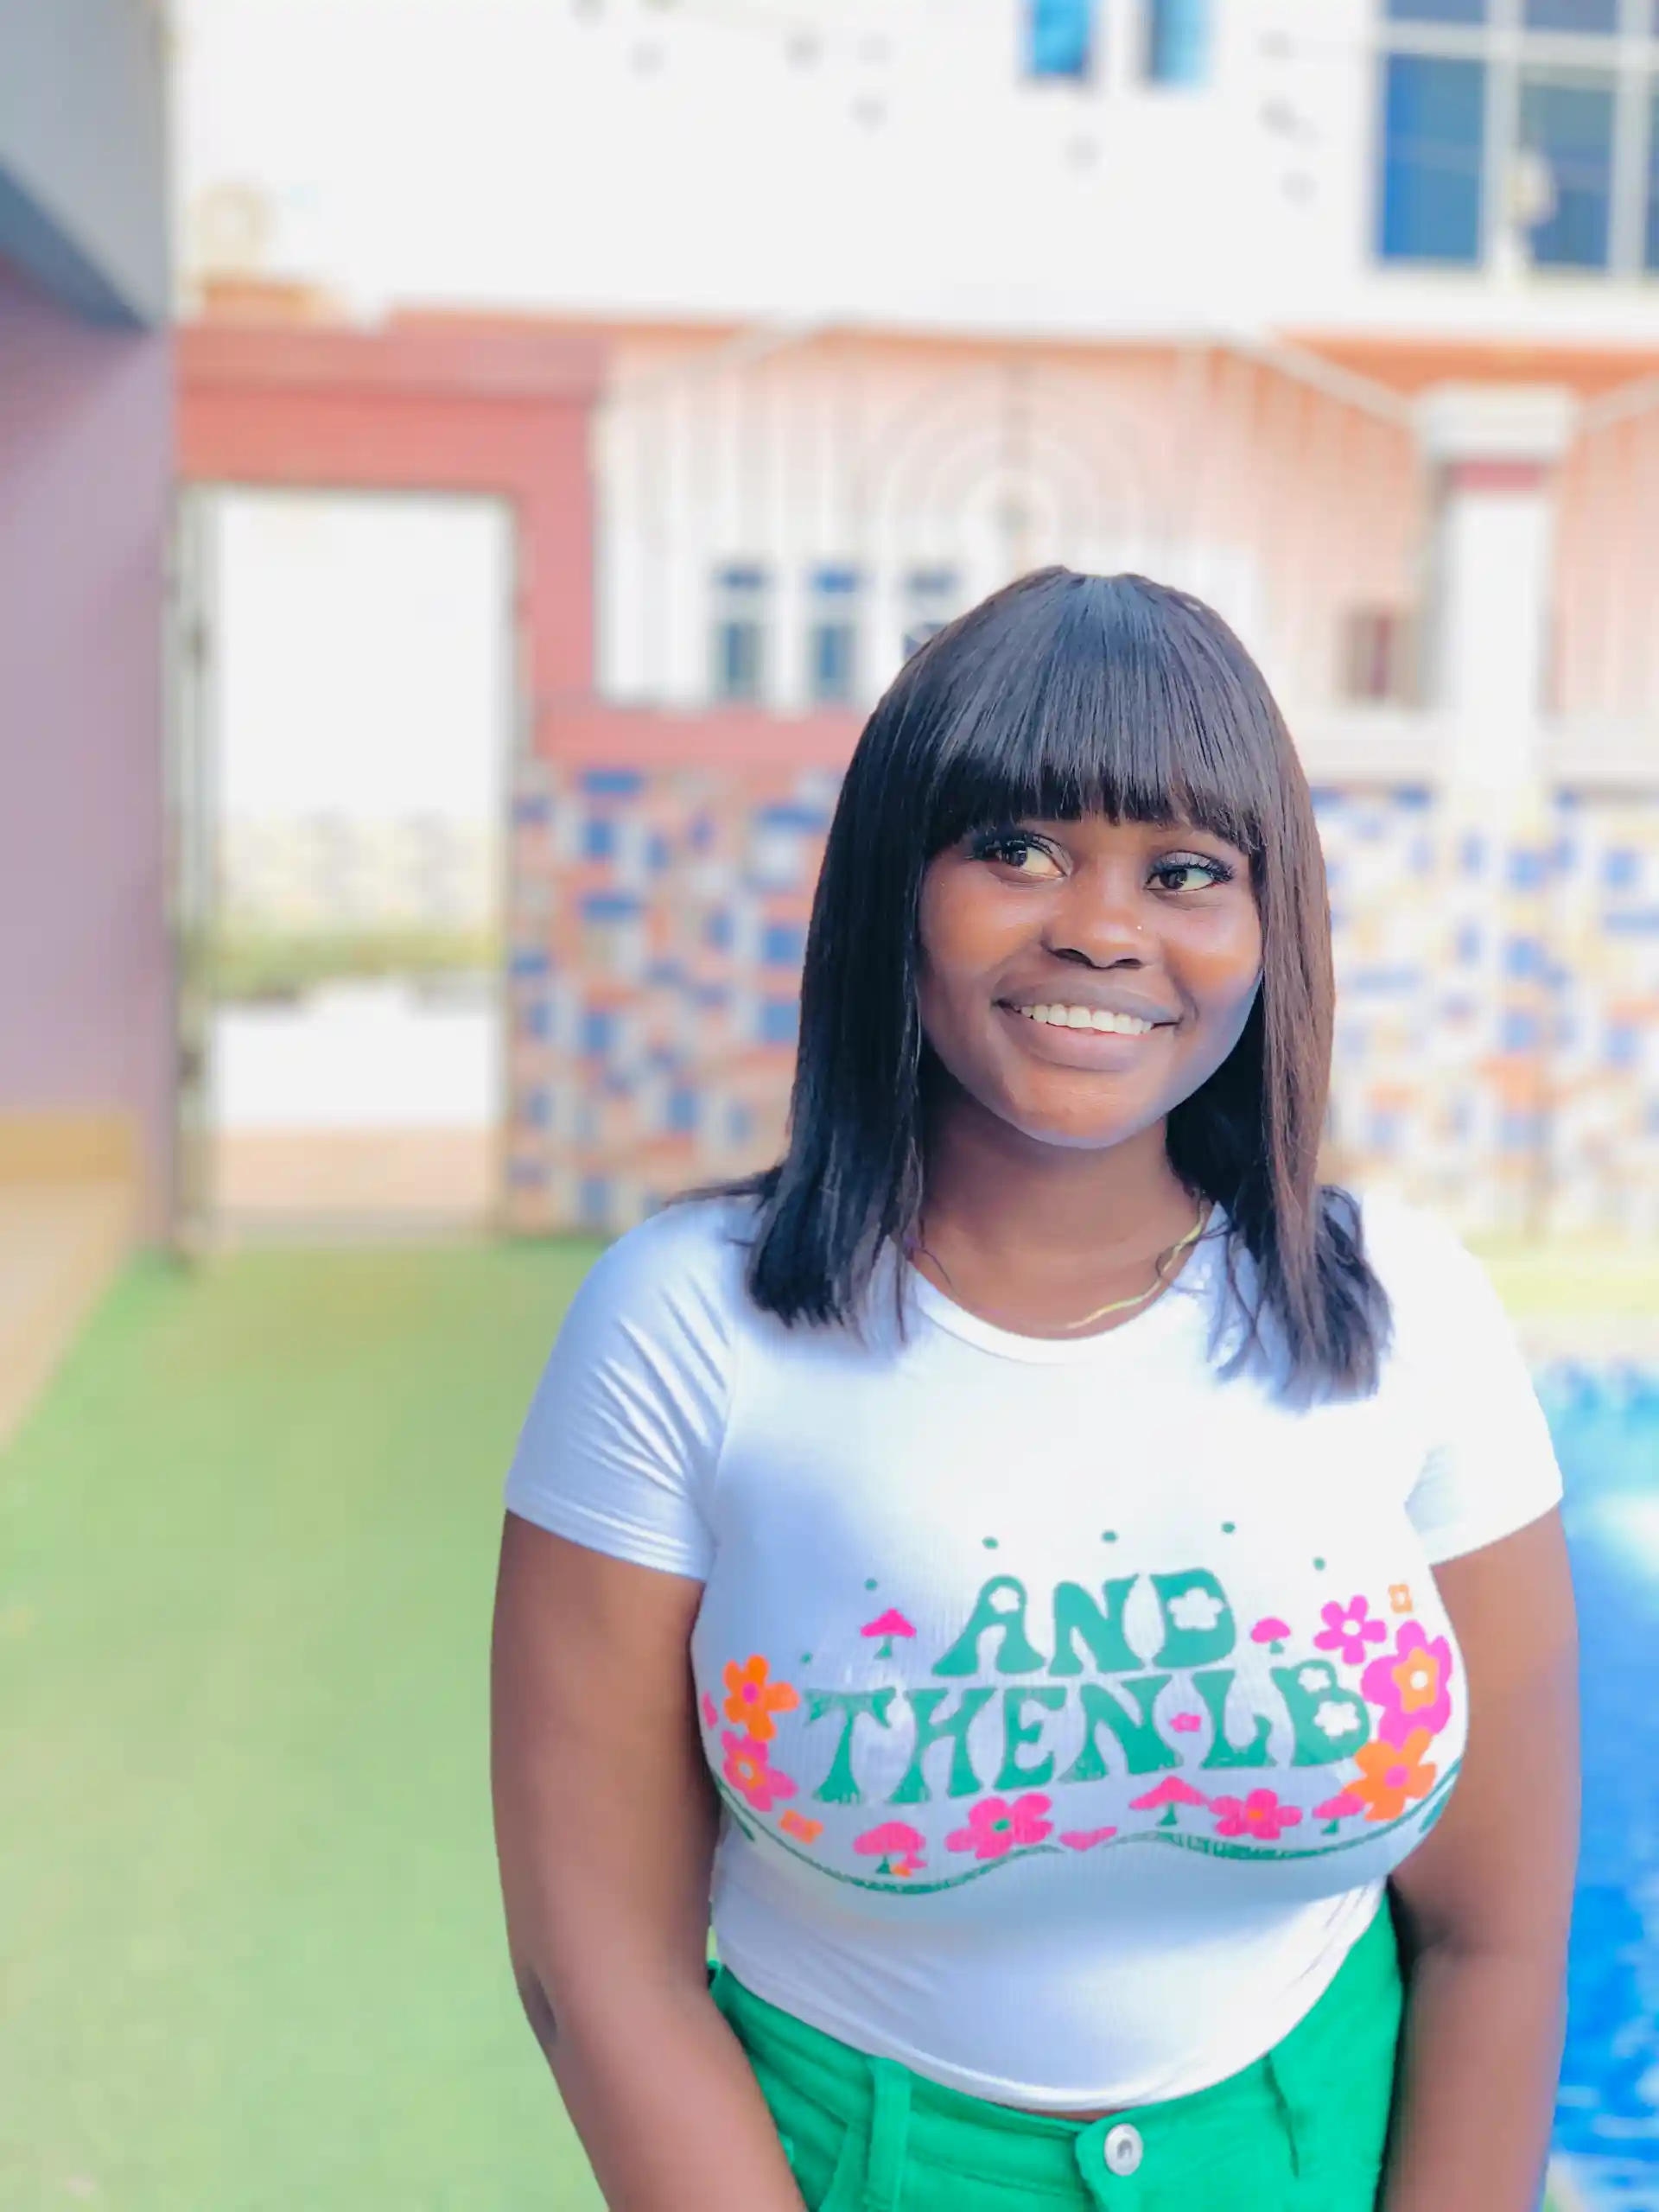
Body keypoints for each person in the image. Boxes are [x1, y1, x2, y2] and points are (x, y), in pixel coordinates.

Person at [491, 569, 1579, 2211]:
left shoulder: (1408, 1314)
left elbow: (1497, 1937)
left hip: (1319, 2149)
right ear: (896, 886)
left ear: (1269, 929)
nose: (1102, 927)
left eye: (1188, 871)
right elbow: (600, 1969)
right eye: (1016, 849)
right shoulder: (683, 1328)